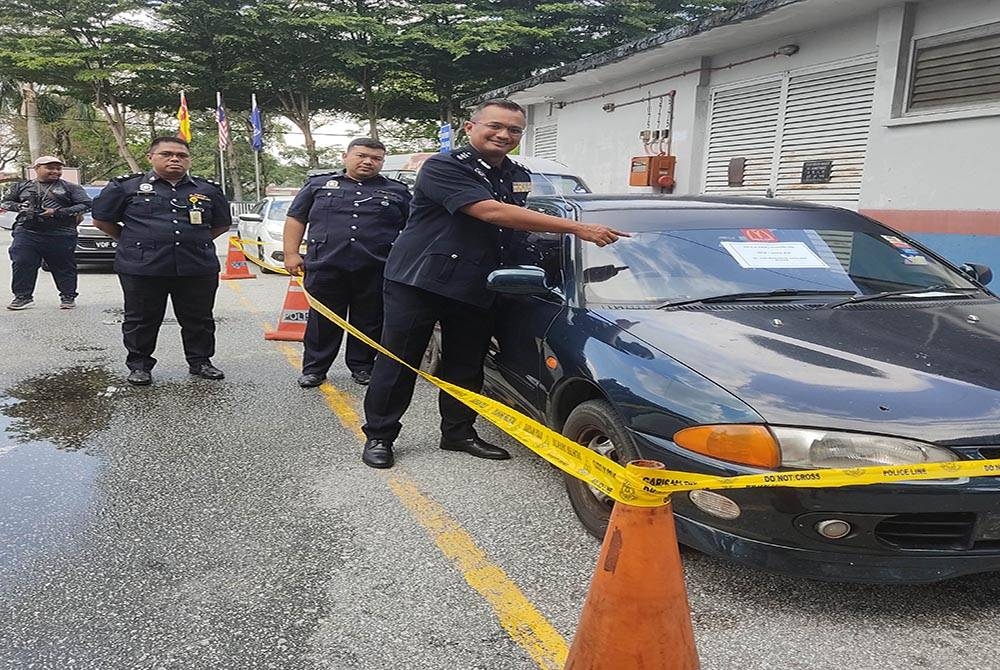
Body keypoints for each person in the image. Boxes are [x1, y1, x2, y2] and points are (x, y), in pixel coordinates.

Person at [361, 99, 627, 469]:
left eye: (514, 130)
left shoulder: (516, 173)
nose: (504, 135)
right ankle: (380, 435)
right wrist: (579, 229)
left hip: (478, 283)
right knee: (399, 361)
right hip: (421, 281)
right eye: (495, 126)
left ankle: (458, 432)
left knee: (467, 363)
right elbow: (491, 212)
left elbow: (512, 231)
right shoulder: (442, 167)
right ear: (470, 128)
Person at [90, 137, 232, 386]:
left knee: (199, 318)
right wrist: (132, 240)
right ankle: (140, 365)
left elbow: (221, 224)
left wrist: (194, 240)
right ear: (151, 157)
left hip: (196, 265)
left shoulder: (207, 189)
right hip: (142, 266)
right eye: (166, 154)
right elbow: (102, 220)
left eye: (181, 155)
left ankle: (200, 362)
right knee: (141, 318)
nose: (175, 159)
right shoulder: (126, 186)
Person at [283, 138, 411, 388]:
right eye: (361, 155)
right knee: (322, 321)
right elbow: (296, 218)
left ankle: (362, 366)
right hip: (326, 265)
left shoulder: (397, 191)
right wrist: (291, 253)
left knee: (370, 319)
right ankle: (315, 369)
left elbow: (411, 228)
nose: (368, 162)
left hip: (376, 267)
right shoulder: (318, 185)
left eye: (376, 158)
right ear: (345, 156)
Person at [3, 156, 92, 310]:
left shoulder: (70, 188)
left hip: (61, 233)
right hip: (28, 232)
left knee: (64, 266)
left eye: (58, 168)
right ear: (36, 168)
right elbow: (5, 202)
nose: (55, 171)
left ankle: (68, 296)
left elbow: (86, 205)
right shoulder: (22, 187)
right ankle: (22, 297)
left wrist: (56, 212)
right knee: (22, 262)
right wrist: (21, 208)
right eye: (50, 168)